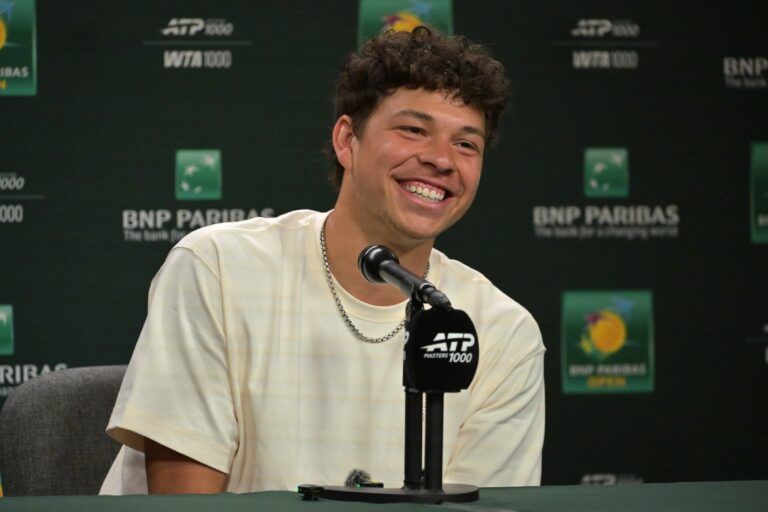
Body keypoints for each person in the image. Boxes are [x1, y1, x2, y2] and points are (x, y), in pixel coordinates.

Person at [101, 27, 545, 495]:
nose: (442, 159)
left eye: (466, 144)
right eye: (414, 130)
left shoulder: (504, 333)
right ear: (347, 140)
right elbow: (186, 503)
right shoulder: (218, 268)